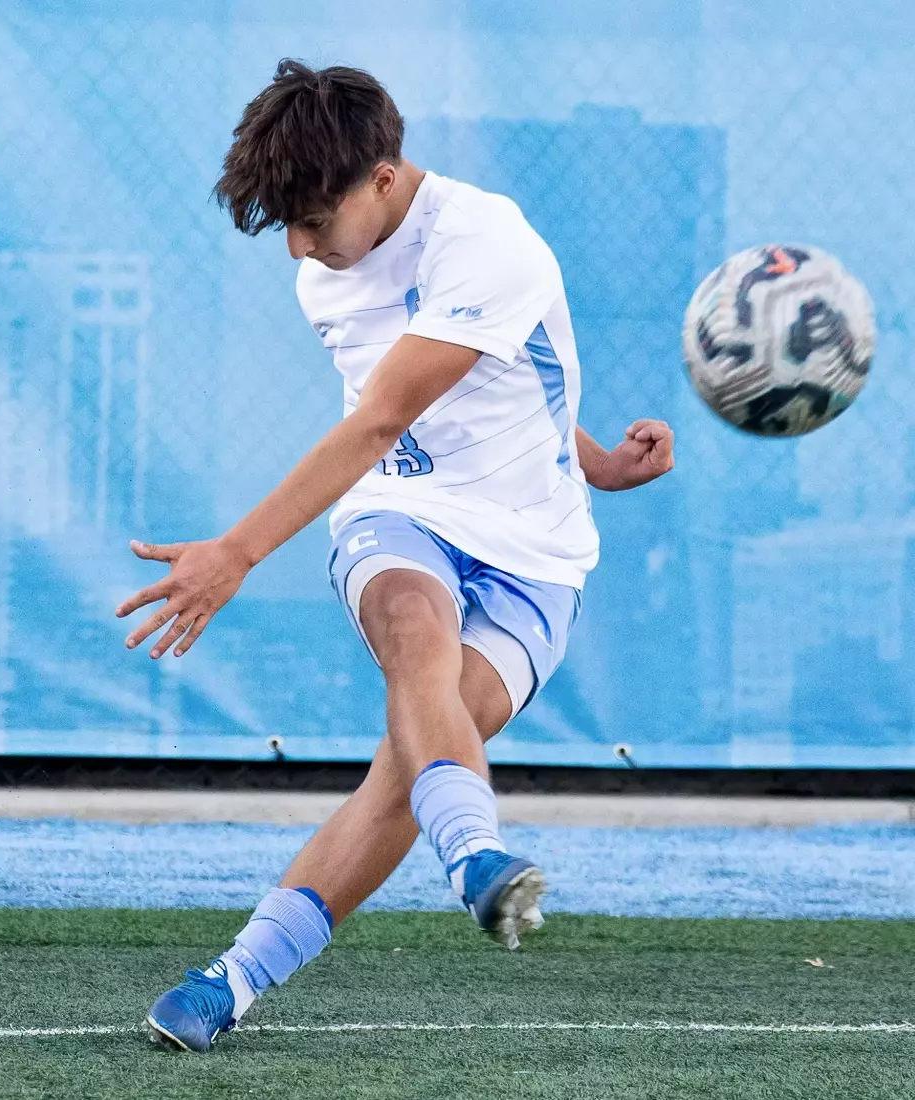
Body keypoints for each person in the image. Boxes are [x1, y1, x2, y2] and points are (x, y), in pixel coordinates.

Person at [117, 59, 675, 1053]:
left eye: (312, 220)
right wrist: (598, 457)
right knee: (417, 636)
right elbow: (420, 419)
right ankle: (477, 854)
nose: (296, 245)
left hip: (537, 558)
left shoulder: (488, 242)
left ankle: (234, 977)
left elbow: (391, 412)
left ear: (383, 179)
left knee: (407, 765)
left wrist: (237, 552)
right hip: (400, 510)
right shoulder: (320, 273)